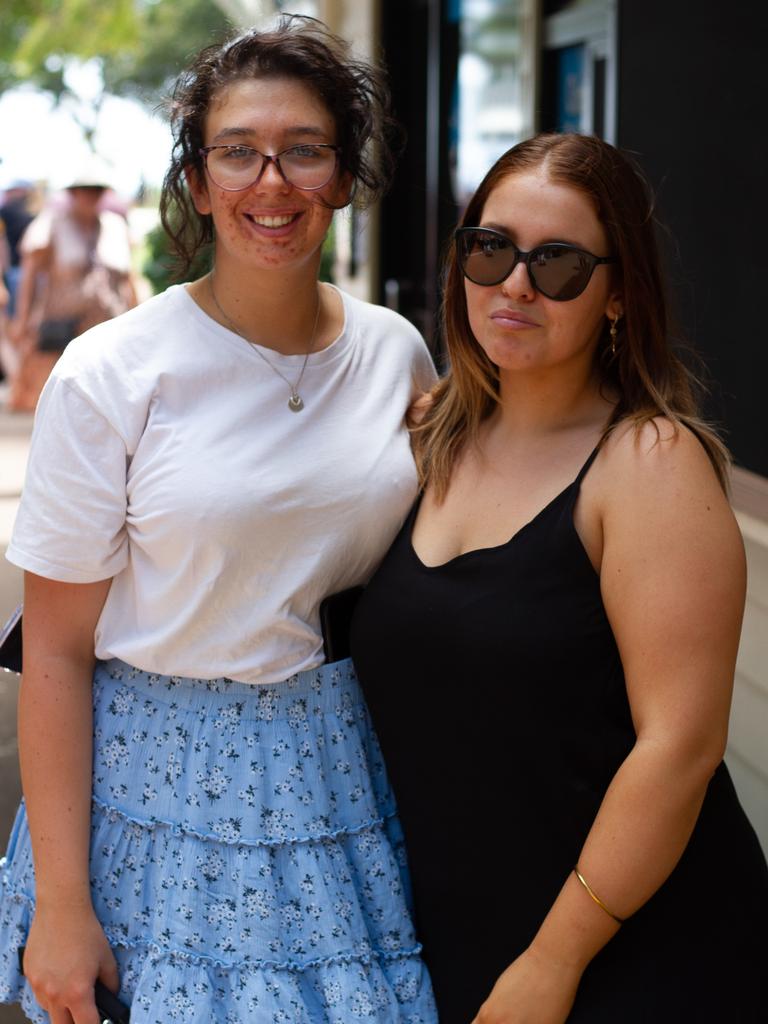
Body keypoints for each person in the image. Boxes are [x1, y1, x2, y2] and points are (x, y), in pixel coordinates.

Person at [0, 15, 437, 1024]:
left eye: (303, 151)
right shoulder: (115, 371)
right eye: (237, 152)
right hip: (154, 791)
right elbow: (57, 653)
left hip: (341, 775)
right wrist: (64, 906)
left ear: (343, 174)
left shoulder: (396, 354)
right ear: (197, 182)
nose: (270, 182)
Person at [350, 131, 768, 1023]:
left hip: (630, 953)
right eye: (490, 248)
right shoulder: (429, 437)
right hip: (464, 938)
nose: (516, 284)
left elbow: (679, 750)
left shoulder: (649, 463)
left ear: (619, 295)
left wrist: (556, 960)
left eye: (561, 263)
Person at [6, 164, 137, 412]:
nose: (91, 195)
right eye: (85, 190)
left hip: (108, 325)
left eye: (96, 190)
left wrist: (140, 319)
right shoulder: (53, 223)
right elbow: (30, 273)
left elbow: (130, 278)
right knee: (53, 401)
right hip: (62, 326)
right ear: (73, 194)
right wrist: (22, 320)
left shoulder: (115, 226)